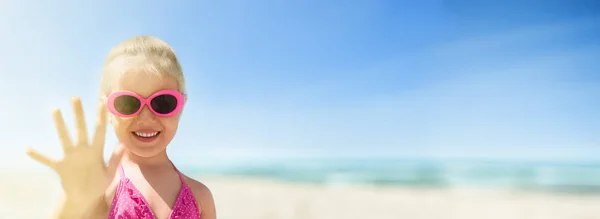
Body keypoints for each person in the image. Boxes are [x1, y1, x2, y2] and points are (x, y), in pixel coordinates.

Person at [25, 36, 216, 219]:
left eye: (163, 102)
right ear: (106, 109)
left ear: (180, 107)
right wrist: (73, 204)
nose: (146, 116)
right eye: (127, 103)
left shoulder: (200, 196)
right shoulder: (101, 189)